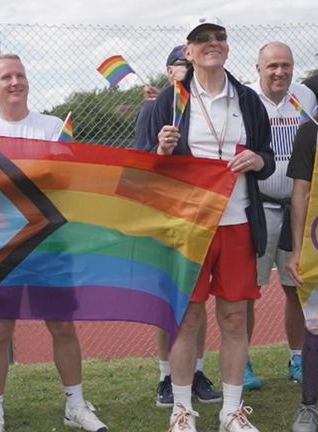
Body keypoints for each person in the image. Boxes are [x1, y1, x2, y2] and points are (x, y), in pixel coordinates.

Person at [146, 17, 274, 432]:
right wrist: (160, 150)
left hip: (237, 222)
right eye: (202, 40)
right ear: (188, 51)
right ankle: (182, 410)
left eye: (219, 38)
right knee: (188, 319)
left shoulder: (246, 100)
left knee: (235, 318)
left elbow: (266, 155)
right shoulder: (169, 100)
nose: (212, 44)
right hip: (188, 226)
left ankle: (231, 411)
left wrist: (257, 161)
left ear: (227, 47)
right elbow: (145, 166)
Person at [0, 54, 108, 432]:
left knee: (62, 325)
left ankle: (75, 404)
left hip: (51, 243)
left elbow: (67, 180)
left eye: (20, 75)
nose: (15, 82)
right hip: (2, 244)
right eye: (5, 77)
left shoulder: (52, 127)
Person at [131, 45, 222, 409]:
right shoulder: (155, 109)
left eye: (188, 64)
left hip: (202, 216)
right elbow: (138, 165)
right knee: (170, 301)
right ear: (168, 71)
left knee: (197, 302)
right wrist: (159, 149)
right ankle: (166, 375)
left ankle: (196, 371)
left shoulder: (207, 107)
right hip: (166, 218)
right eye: (177, 65)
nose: (183, 70)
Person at [245, 41, 318, 390]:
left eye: (286, 65)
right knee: (247, 289)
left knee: (295, 288)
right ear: (258, 68)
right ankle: (240, 361)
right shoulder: (244, 100)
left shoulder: (307, 96)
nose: (279, 72)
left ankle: (298, 358)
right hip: (258, 207)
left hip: (298, 209)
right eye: (272, 66)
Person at [286, 51, 318, 432]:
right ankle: (309, 406)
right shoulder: (309, 130)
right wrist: (298, 251)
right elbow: (299, 193)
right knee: (316, 323)